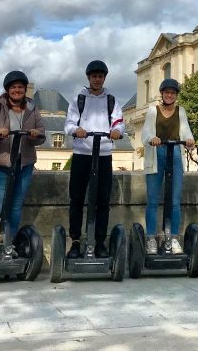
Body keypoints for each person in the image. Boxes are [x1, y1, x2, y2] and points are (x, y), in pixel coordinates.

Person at [0, 70, 46, 258]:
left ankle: (9, 243)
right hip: (1, 162)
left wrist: (35, 135)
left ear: (25, 90)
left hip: (24, 164)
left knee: (15, 205)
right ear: (8, 90)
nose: (17, 90)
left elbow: (42, 134)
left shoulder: (32, 109)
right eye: (13, 87)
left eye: (20, 87)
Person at [63, 60, 125, 258]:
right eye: (94, 76)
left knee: (103, 200)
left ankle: (99, 242)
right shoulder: (78, 99)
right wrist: (77, 130)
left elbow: (119, 122)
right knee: (77, 199)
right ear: (88, 78)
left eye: (100, 76)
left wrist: (116, 131)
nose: (97, 79)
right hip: (82, 153)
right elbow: (69, 123)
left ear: (104, 78)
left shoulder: (111, 100)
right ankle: (75, 241)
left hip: (104, 153)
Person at [140, 78, 195, 254]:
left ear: (176, 95)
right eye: (166, 92)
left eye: (172, 93)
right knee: (153, 200)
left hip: (175, 154)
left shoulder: (181, 112)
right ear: (162, 94)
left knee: (175, 200)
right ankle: (151, 239)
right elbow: (146, 133)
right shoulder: (152, 111)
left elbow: (186, 131)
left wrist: (189, 140)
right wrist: (151, 138)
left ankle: (173, 238)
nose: (169, 95)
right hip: (156, 155)